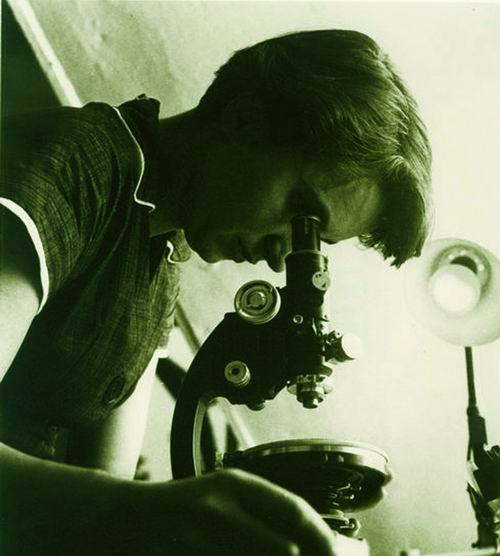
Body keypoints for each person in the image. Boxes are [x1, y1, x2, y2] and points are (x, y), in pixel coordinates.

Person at [0, 29, 431, 554]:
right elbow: (122, 508)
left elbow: (106, 494)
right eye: (302, 217)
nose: (282, 259)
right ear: (245, 121)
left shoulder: (160, 258)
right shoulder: (76, 165)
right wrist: (159, 512)